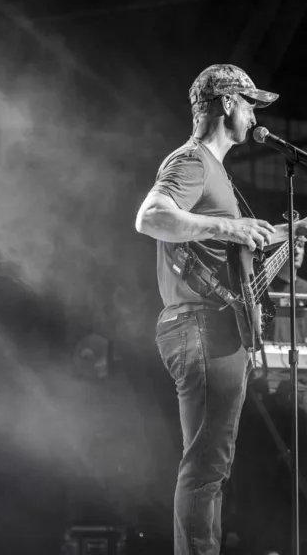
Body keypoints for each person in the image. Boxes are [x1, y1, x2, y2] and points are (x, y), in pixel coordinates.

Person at [135, 63, 307, 555]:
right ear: (228, 103)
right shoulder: (190, 162)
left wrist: (287, 236)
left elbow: (232, 254)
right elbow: (151, 217)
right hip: (200, 328)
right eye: (250, 102)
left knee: (214, 464)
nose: (254, 113)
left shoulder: (218, 176)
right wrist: (230, 229)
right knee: (206, 465)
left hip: (216, 325)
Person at [267, 236, 307, 344]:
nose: (297, 251)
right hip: (267, 357)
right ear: (276, 251)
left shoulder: (305, 288)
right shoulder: (263, 289)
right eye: (292, 246)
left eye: (300, 246)